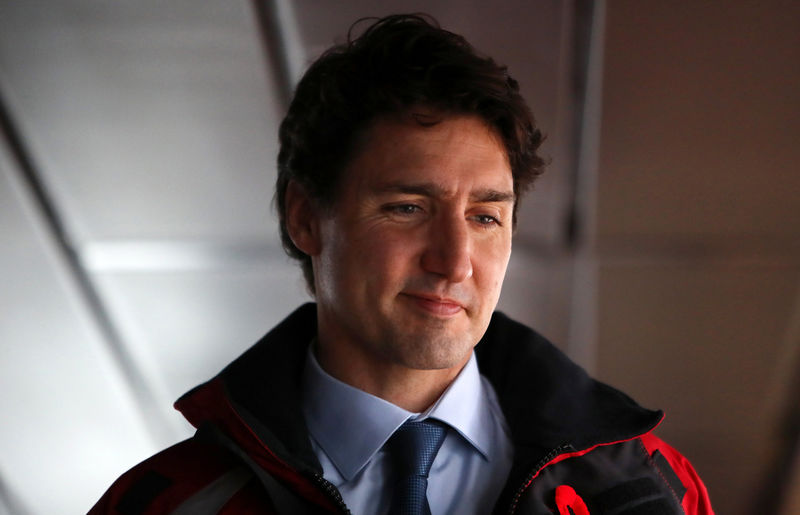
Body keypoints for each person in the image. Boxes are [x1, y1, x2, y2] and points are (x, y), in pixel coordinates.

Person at [90, 14, 713, 515]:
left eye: (485, 217)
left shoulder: (653, 491)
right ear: (306, 217)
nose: (454, 261)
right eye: (408, 207)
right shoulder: (169, 502)